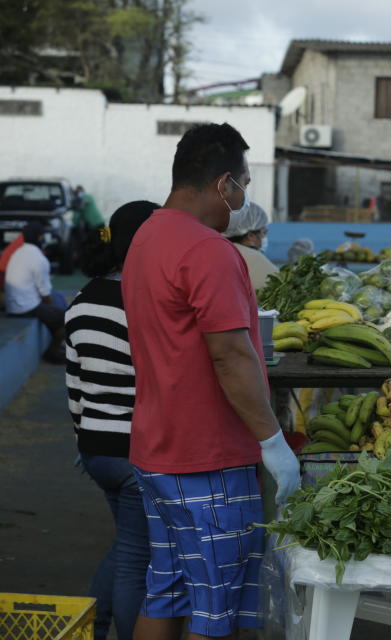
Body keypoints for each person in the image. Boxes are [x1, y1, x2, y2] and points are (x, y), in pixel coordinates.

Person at [122, 123, 300, 640]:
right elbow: (231, 356)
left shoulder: (147, 236)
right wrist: (272, 440)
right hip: (210, 458)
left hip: (157, 449)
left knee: (169, 588)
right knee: (215, 603)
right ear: (224, 184)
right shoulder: (208, 252)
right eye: (243, 183)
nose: (243, 198)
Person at [65, 200, 157, 640]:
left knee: (126, 549)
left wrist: (84, 440)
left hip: (97, 450)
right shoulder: (142, 303)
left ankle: (94, 625)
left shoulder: (80, 302)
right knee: (135, 561)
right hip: (135, 452)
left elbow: (75, 387)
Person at [4, 221, 67, 362]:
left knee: (54, 309)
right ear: (40, 238)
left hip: (12, 306)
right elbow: (46, 295)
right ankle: (53, 352)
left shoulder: (18, 253)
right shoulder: (39, 258)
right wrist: (53, 311)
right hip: (26, 308)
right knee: (67, 318)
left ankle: (55, 345)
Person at [222, 201, 278, 291]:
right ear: (251, 236)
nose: (264, 238)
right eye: (264, 233)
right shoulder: (252, 258)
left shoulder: (219, 251)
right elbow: (280, 287)